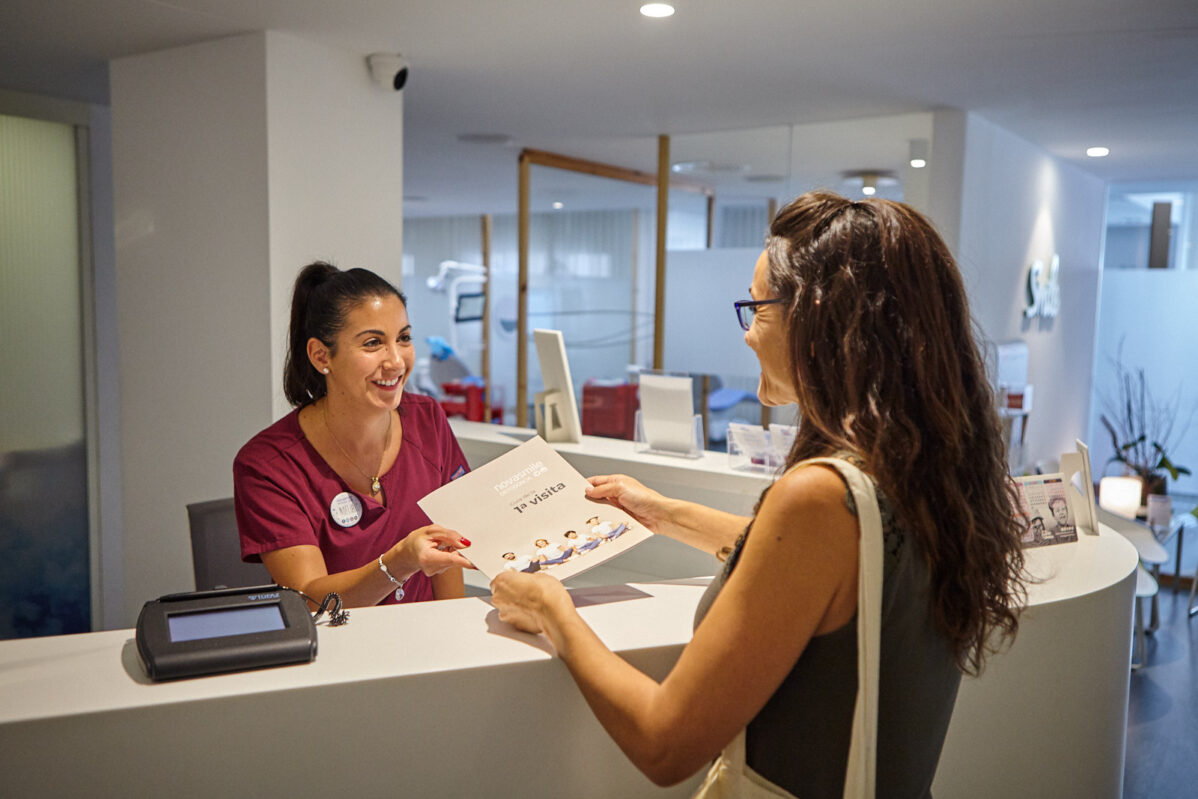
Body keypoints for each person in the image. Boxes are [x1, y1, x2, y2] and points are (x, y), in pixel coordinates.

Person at [490, 191, 1026, 796]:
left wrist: (551, 610)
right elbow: (817, 569)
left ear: (818, 315)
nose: (747, 337)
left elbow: (664, 743)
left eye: (758, 309)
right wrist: (663, 513)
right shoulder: (924, 469)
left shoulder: (819, 497)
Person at [234, 262, 473, 608]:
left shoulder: (428, 419)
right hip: (334, 655)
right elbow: (309, 599)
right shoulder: (268, 465)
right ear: (320, 356)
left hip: (426, 645)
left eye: (403, 338)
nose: (396, 361)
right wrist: (399, 563)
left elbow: (450, 547)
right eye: (373, 343)